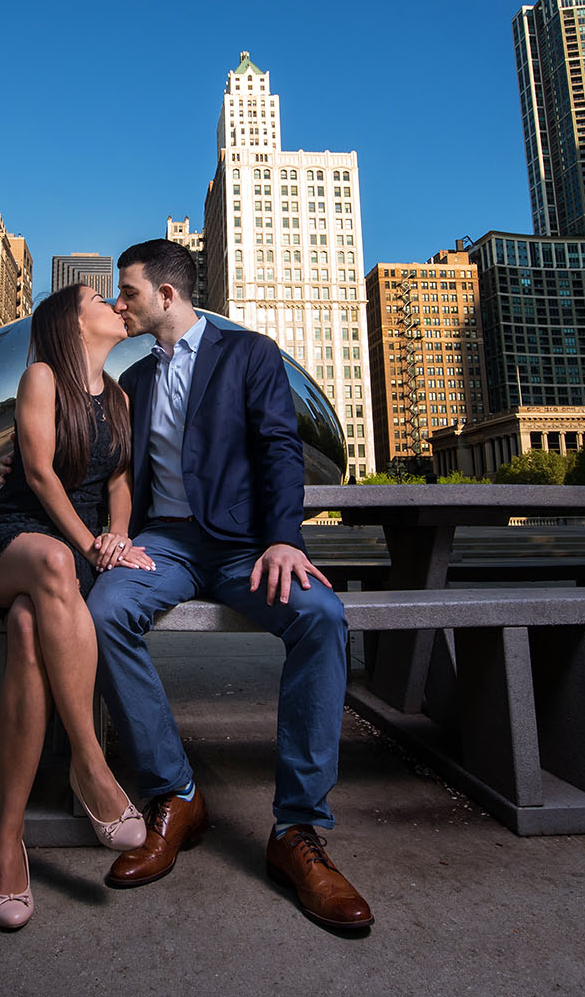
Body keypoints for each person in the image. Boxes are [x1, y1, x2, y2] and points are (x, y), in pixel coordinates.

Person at [85, 238, 373, 930]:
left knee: (322, 618)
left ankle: (296, 830)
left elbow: (279, 447)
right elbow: (111, 469)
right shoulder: (138, 381)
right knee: (103, 613)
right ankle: (174, 794)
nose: (120, 303)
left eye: (128, 291)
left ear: (167, 295)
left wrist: (283, 539)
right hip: (167, 543)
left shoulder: (249, 354)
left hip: (247, 545)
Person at [0, 284, 155, 930]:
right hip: (16, 538)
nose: (115, 304)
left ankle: (7, 839)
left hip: (73, 555)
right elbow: (40, 474)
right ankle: (90, 764)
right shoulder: (41, 376)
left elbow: (121, 483)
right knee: (49, 566)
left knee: (25, 628)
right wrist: (92, 549)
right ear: (72, 322)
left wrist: (119, 535)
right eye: (101, 298)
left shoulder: (121, 396)